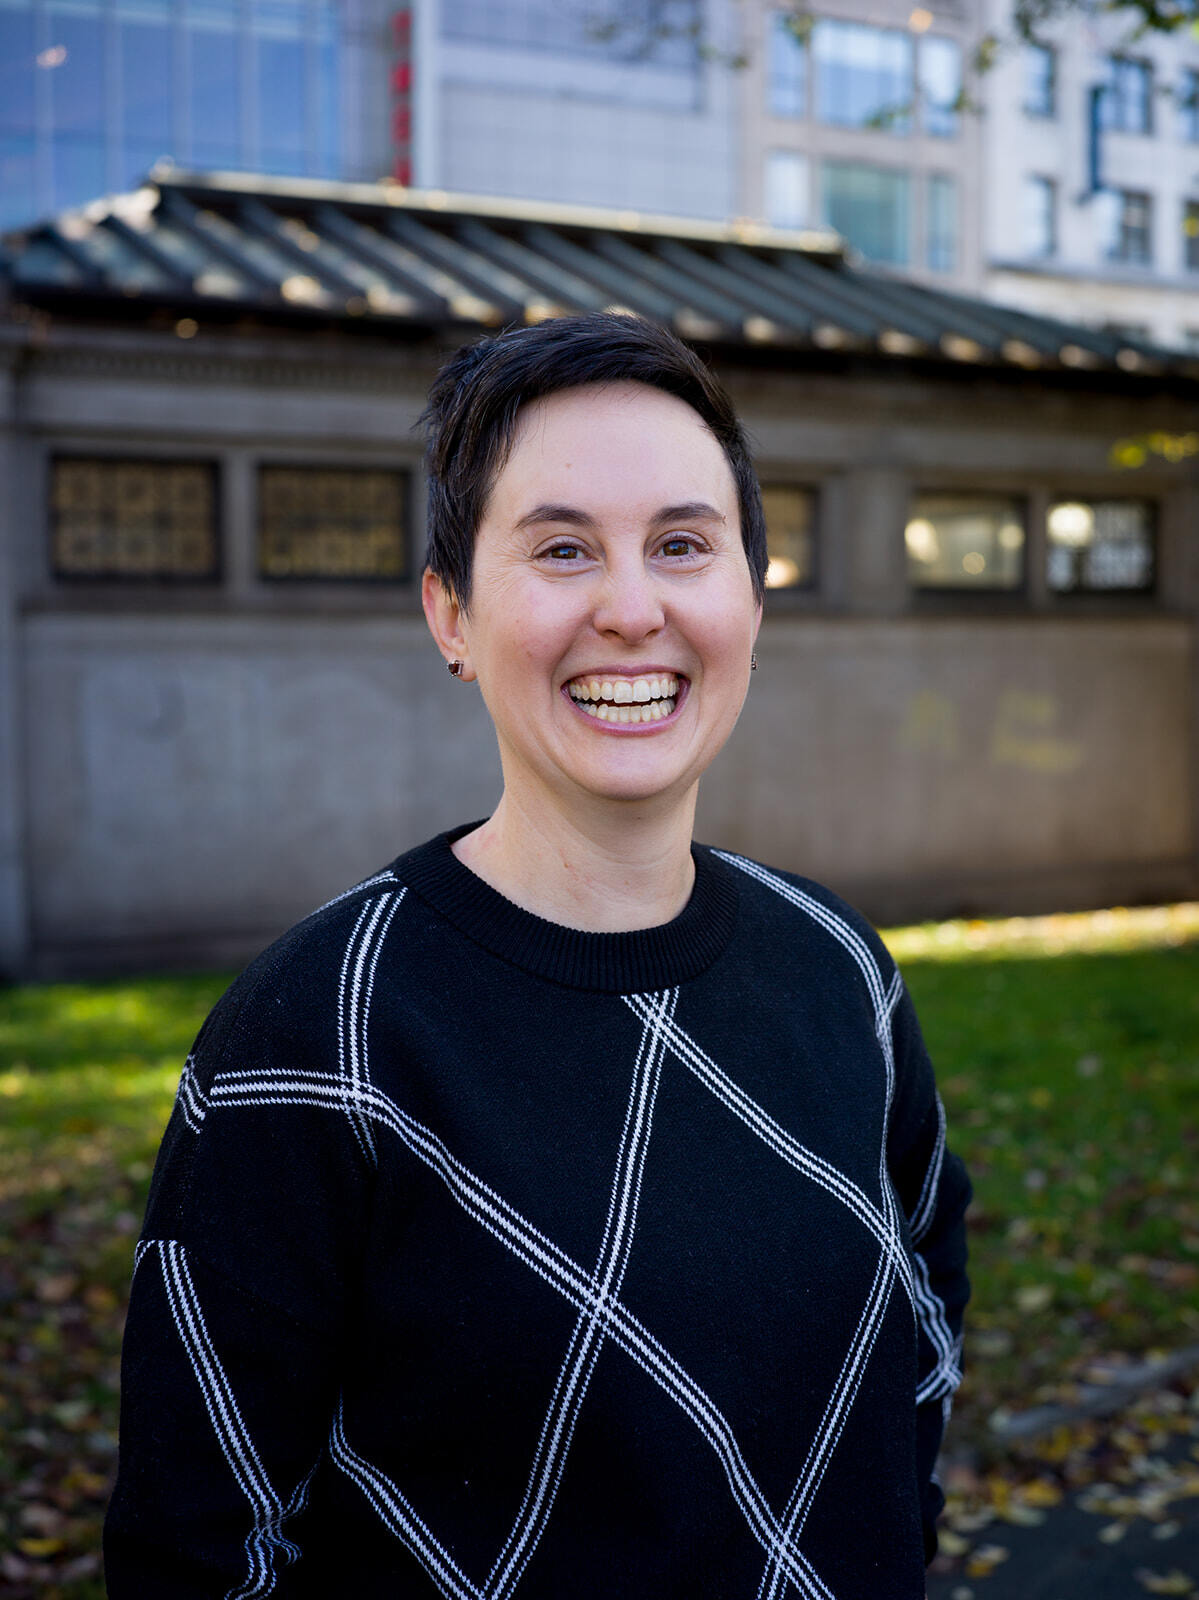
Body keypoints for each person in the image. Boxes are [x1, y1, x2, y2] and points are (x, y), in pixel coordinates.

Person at [104, 312, 970, 1599]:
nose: (631, 608)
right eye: (562, 549)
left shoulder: (840, 968)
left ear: (749, 598)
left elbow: (920, 1330)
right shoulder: (317, 1032)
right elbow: (197, 1544)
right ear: (449, 614)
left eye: (682, 545)